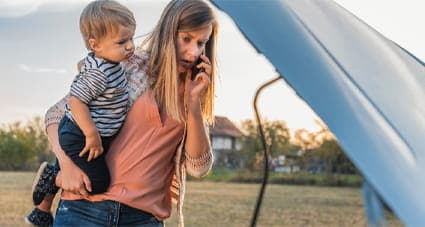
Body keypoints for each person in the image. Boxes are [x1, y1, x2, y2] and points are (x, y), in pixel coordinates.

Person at [26, 0, 216, 226]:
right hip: (84, 210)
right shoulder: (128, 67)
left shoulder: (195, 90)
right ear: (168, 32)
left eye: (201, 43)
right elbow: (55, 116)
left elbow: (199, 167)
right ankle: (50, 181)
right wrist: (66, 168)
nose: (193, 52)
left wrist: (194, 106)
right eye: (186, 39)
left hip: (143, 219)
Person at [25, 0, 136, 225]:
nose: (130, 46)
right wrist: (91, 134)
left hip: (86, 132)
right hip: (80, 133)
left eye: (132, 38)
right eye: (122, 41)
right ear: (96, 45)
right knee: (99, 182)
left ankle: (42, 211)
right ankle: (53, 179)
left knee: (80, 164)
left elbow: (84, 65)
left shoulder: (109, 61)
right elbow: (76, 101)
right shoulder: (99, 74)